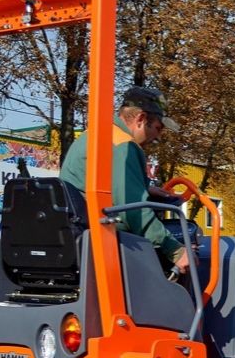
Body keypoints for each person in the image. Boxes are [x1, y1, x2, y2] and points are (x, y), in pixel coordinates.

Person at [60, 86, 188, 275]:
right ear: (141, 119)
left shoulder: (94, 135)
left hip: (75, 231)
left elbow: (94, 183)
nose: (158, 136)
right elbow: (135, 210)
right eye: (158, 128)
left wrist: (146, 188)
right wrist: (175, 250)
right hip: (102, 238)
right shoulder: (124, 147)